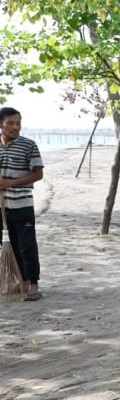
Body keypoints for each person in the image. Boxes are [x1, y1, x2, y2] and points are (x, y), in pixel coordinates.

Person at [0, 107, 44, 301]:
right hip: (1, 207)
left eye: (18, 123)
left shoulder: (29, 145)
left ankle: (33, 284)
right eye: (10, 123)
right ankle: (21, 282)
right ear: (1, 124)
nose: (15, 127)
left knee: (27, 245)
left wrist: (10, 183)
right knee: (9, 244)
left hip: (22, 204)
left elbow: (38, 174)